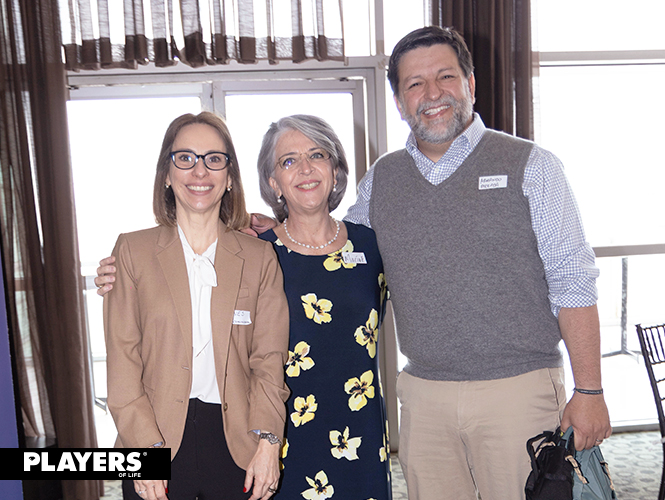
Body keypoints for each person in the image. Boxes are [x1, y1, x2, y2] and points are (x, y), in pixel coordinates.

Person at [340, 26, 612, 500]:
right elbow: (339, 253)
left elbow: (572, 279)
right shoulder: (382, 179)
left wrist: (589, 391)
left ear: (470, 84)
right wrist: (270, 233)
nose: (432, 93)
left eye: (445, 76)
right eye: (415, 84)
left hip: (518, 391)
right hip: (424, 398)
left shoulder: (532, 164)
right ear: (401, 103)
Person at [103, 111, 290, 500]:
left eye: (213, 159)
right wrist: (144, 450)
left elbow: (268, 365)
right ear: (167, 175)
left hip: (237, 442)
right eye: (185, 158)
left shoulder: (259, 259)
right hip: (153, 436)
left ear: (230, 176)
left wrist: (270, 443)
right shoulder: (132, 252)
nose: (199, 171)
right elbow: (123, 364)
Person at [256, 115, 392, 499]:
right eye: (288, 161)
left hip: (360, 433)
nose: (305, 168)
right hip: (284, 435)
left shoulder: (372, 245)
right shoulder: (256, 252)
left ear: (334, 171)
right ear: (273, 182)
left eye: (317, 154)